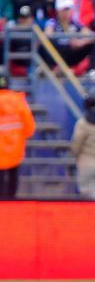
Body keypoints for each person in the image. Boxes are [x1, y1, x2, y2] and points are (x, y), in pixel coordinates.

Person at [0, 70, 36, 199]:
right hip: (15, 151)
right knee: (13, 179)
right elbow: (29, 128)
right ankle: (12, 206)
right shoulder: (18, 101)